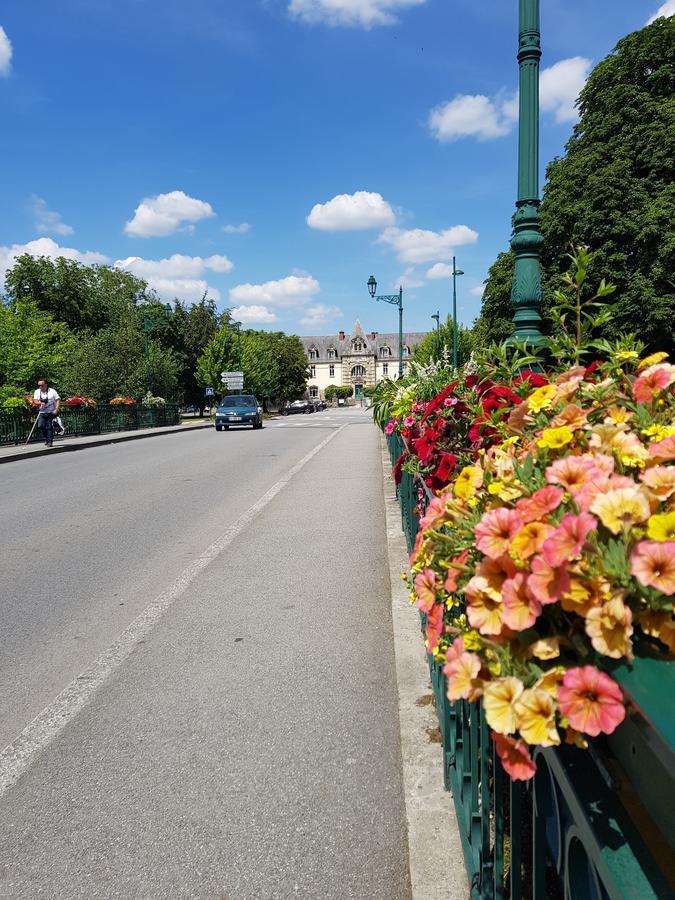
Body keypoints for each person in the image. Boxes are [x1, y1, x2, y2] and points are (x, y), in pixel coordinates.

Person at [33, 379, 61, 447]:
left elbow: (58, 400)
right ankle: (46, 438)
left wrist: (56, 409)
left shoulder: (52, 391)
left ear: (45, 385)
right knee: (40, 426)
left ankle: (50, 441)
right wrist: (39, 403)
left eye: (42, 385)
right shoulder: (37, 391)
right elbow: (35, 400)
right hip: (42, 411)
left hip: (51, 412)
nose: (40, 387)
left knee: (49, 427)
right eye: (39, 385)